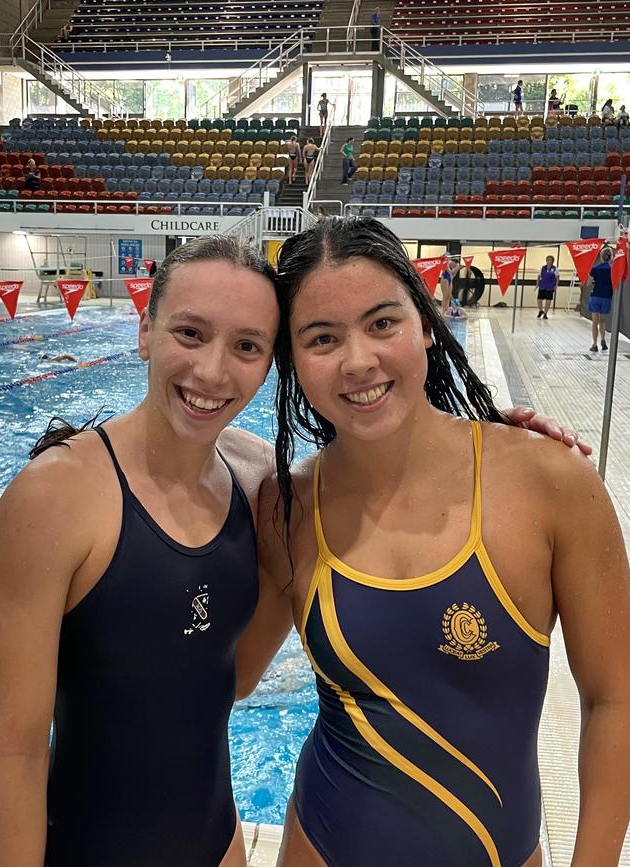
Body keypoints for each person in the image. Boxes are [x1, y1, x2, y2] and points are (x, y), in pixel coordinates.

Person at [254, 217, 630, 867]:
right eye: (321, 337)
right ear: (293, 361)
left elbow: (616, 698)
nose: (359, 360)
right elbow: (219, 680)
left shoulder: (548, 481)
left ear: (426, 323)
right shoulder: (286, 507)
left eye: (382, 323)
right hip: (319, 843)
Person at [0, 236, 282, 867]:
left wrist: (493, 438)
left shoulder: (259, 483)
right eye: (190, 333)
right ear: (146, 331)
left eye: (247, 346)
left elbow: (235, 679)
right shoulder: (54, 499)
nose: (212, 371)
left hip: (217, 845)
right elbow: (14, 753)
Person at [584, 246, 613, 352]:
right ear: (610, 257)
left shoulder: (595, 269)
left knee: (595, 322)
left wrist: (593, 281)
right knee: (602, 320)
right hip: (607, 296)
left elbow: (588, 283)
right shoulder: (612, 269)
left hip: (596, 296)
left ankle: (595, 344)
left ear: (601, 256)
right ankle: (603, 340)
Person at [535, 254, 559, 320]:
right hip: (542, 285)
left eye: (550, 260)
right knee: (539, 299)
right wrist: (537, 285)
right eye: (548, 260)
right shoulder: (543, 268)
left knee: (548, 300)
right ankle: (540, 310)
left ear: (552, 261)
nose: (549, 261)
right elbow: (539, 276)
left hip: (550, 286)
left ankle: (545, 313)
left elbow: (557, 278)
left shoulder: (555, 269)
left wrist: (556, 286)